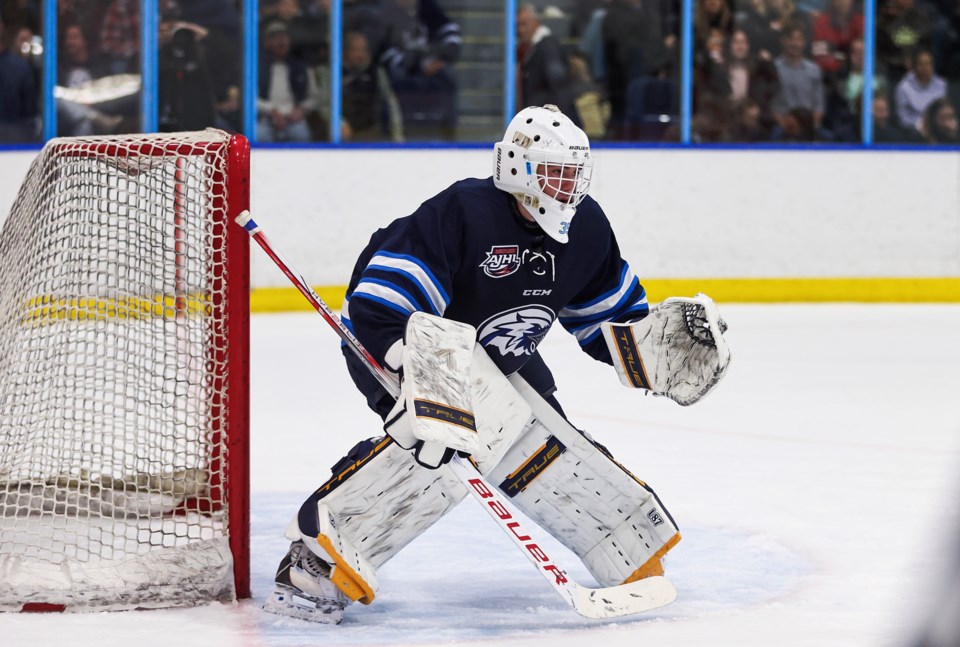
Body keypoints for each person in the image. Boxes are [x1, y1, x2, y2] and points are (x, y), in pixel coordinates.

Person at [262, 105, 729, 624]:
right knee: (451, 442)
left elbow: (608, 318)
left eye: (574, 173)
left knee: (541, 447)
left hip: (504, 359)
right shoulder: (466, 211)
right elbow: (384, 299)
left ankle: (624, 542)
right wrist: (415, 375)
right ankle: (317, 560)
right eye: (554, 171)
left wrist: (652, 347)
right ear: (516, 167)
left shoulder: (586, 227)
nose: (567, 186)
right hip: (399, 342)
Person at [257, 20, 317, 142]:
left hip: (293, 119)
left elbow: (314, 96)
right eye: (276, 38)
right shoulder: (256, 68)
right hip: (265, 118)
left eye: (284, 38)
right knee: (259, 136)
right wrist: (270, 110)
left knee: (302, 135)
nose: (281, 42)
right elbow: (249, 98)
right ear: (267, 42)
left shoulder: (302, 68)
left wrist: (301, 110)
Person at [516, 4, 577, 119]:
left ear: (536, 23)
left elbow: (559, 86)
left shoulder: (547, 48)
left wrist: (557, 120)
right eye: (518, 25)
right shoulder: (531, 49)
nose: (520, 30)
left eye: (524, 24)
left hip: (548, 122)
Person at [771, 21, 825, 131]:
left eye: (798, 40)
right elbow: (769, 105)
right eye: (790, 39)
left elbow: (819, 105)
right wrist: (783, 123)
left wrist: (810, 125)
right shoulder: (773, 69)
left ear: (804, 42)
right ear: (782, 40)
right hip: (782, 127)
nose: (795, 44)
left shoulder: (814, 70)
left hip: (809, 127)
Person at [894, 48, 946, 133]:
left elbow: (944, 110)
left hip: (938, 130)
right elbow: (902, 117)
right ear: (914, 67)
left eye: (929, 64)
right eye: (921, 64)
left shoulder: (941, 85)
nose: (925, 68)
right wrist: (920, 125)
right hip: (912, 132)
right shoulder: (903, 87)